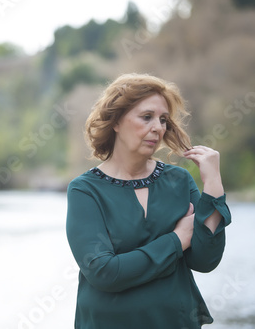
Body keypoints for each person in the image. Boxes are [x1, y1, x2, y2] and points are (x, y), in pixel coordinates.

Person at [66, 73, 232, 329]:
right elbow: (104, 273)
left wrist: (213, 185)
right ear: (116, 121)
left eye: (163, 120)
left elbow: (205, 261)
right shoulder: (85, 190)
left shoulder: (179, 180)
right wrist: (177, 239)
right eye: (147, 117)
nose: (158, 127)